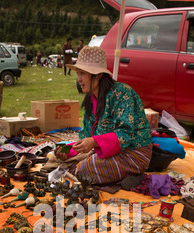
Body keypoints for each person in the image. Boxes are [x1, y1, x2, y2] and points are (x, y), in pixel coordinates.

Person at [54, 46, 152, 187]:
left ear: (99, 75)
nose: (79, 79)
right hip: (113, 152)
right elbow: (87, 135)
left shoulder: (123, 93)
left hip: (135, 152)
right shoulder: (91, 98)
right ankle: (119, 176)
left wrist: (94, 142)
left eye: (83, 74)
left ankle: (133, 175)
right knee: (69, 164)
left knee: (84, 169)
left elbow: (125, 134)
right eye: (78, 73)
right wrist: (69, 151)